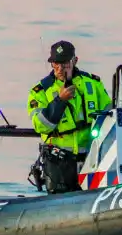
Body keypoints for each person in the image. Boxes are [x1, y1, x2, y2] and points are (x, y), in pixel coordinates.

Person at [27, 40, 112, 193]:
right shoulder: (39, 91)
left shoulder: (93, 83)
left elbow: (110, 113)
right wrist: (60, 101)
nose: (60, 68)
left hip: (90, 157)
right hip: (58, 161)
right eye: (56, 64)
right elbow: (41, 125)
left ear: (75, 60)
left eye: (65, 63)